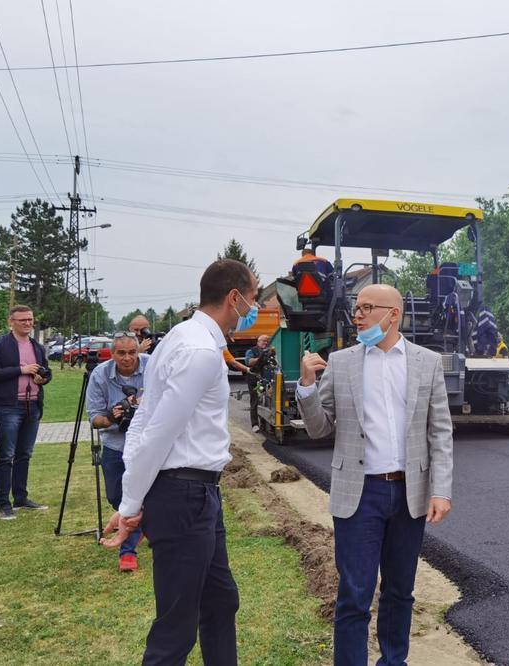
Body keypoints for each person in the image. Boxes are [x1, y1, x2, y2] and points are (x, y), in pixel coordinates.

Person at [101, 259, 259, 664]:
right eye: (254, 299)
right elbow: (157, 431)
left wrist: (133, 497)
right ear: (234, 298)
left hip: (199, 493)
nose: (255, 309)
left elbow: (144, 421)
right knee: (176, 626)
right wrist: (130, 506)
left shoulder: (181, 336)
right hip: (184, 494)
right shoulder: (199, 351)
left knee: (221, 601)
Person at [295, 283, 453, 666]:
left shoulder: (426, 362)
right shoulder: (343, 361)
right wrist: (306, 385)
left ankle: (393, 661)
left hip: (408, 494)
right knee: (354, 594)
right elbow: (319, 428)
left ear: (392, 314)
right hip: (359, 495)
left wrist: (441, 490)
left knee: (400, 592)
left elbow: (440, 430)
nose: (358, 314)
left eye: (367, 307)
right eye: (357, 307)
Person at [86, 332, 150, 570]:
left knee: (143, 496)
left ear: (138, 351)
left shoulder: (152, 367)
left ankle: (128, 551)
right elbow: (94, 419)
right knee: (116, 496)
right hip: (115, 443)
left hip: (146, 445)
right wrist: (112, 417)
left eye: (132, 352)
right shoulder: (100, 375)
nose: (127, 358)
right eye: (121, 353)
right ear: (112, 354)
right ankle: (142, 526)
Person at [0, 305, 52, 520]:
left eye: (30, 319)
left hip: (32, 405)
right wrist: (22, 370)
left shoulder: (37, 346)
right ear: (11, 321)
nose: (27, 323)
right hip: (8, 406)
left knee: (24, 454)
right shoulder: (0, 345)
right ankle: (3, 504)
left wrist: (43, 378)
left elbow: (46, 371)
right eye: (22, 320)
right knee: (6, 456)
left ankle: (21, 498)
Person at [244, 334, 271, 432]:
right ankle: (254, 424)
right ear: (258, 341)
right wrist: (260, 359)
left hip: (266, 379)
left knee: (267, 400)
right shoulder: (251, 351)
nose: (265, 343)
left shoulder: (269, 351)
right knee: (254, 400)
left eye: (267, 341)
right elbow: (248, 362)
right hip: (253, 379)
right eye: (264, 341)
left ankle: (264, 423)